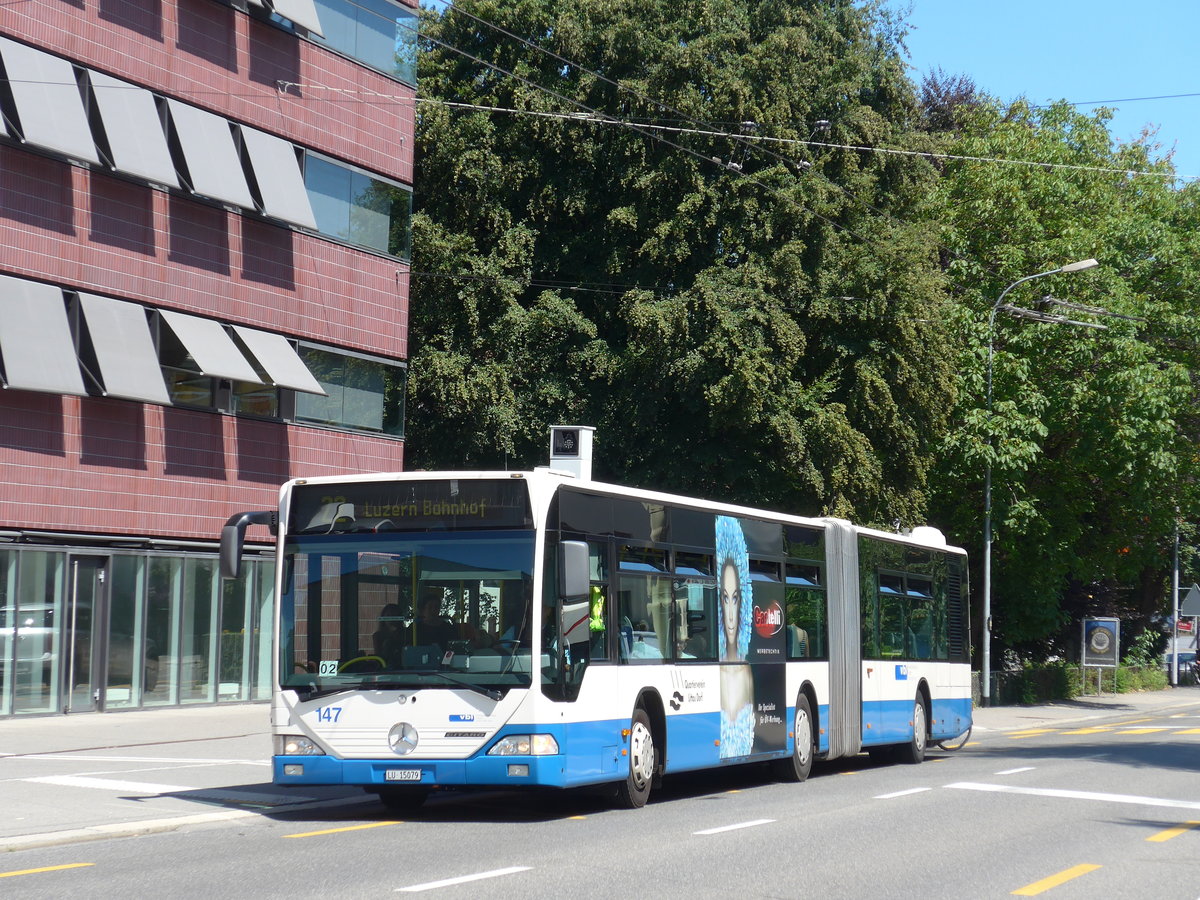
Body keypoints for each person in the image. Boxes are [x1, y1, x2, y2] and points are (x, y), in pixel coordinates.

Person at [716, 516, 754, 758]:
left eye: (736, 598)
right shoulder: (710, 668)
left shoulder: (747, 672)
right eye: (724, 598)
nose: (731, 614)